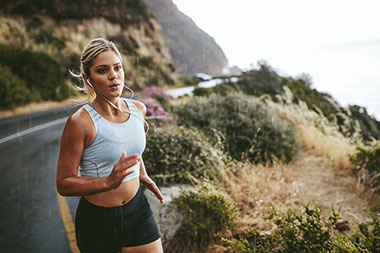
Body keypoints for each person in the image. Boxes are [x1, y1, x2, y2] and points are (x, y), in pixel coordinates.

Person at [56, 38, 164, 253]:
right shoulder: (80, 122)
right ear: (88, 79)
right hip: (97, 220)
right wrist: (108, 182)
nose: (114, 75)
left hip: (137, 210)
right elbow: (64, 183)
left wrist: (141, 173)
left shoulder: (138, 109)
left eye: (117, 67)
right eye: (103, 70)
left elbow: (128, 147)